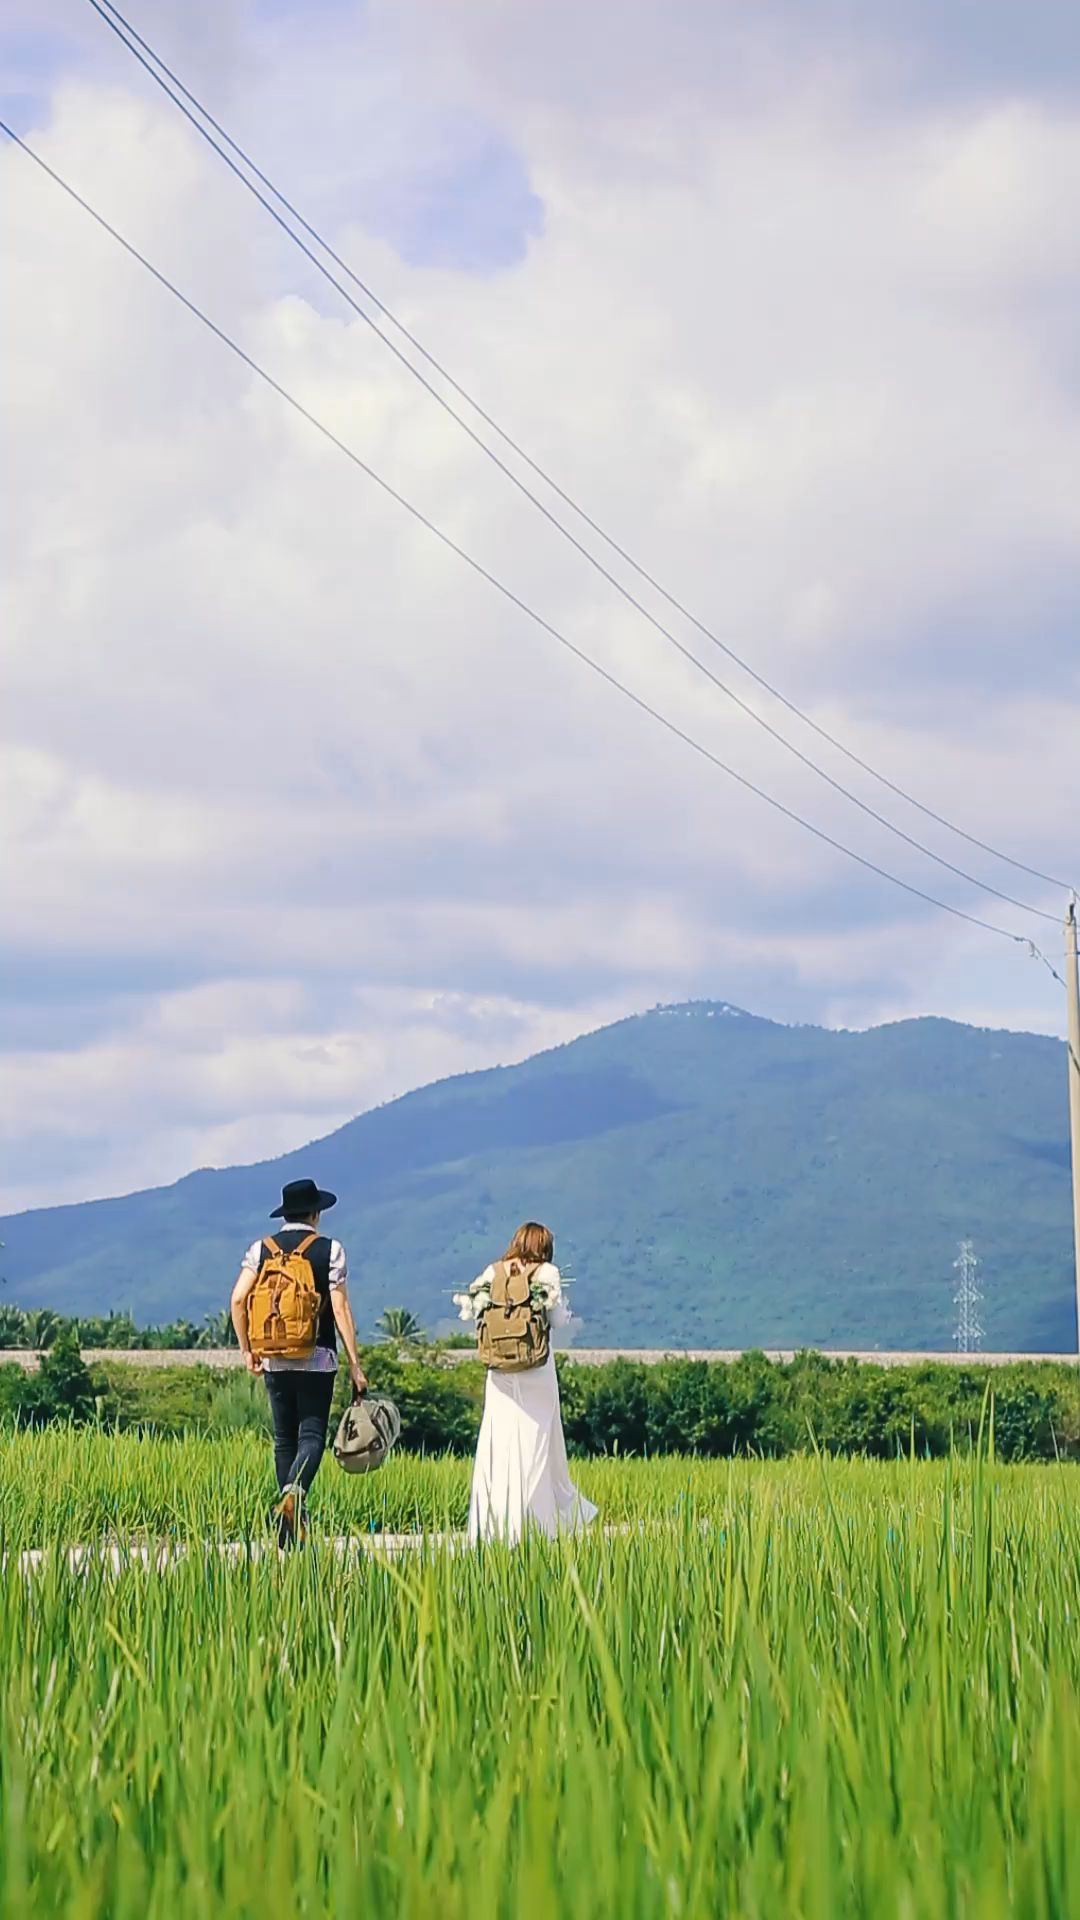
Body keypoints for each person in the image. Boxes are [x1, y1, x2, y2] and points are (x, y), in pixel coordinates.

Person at [231, 1176, 366, 1547]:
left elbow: (239, 1300)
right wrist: (355, 1363)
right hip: (316, 1358)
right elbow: (339, 1307)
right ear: (315, 1213)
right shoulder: (330, 1250)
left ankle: (290, 1527)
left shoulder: (261, 1249)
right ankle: (292, 1497)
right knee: (311, 1436)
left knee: (283, 1439)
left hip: (272, 1357)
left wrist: (247, 1349)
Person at [455, 1221, 597, 1546]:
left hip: (500, 1372)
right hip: (536, 1370)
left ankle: (492, 1526)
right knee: (538, 1446)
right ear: (544, 1246)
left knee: (498, 1443)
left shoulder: (493, 1272)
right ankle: (535, 1525)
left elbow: (473, 1310)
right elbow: (557, 1319)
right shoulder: (546, 1273)